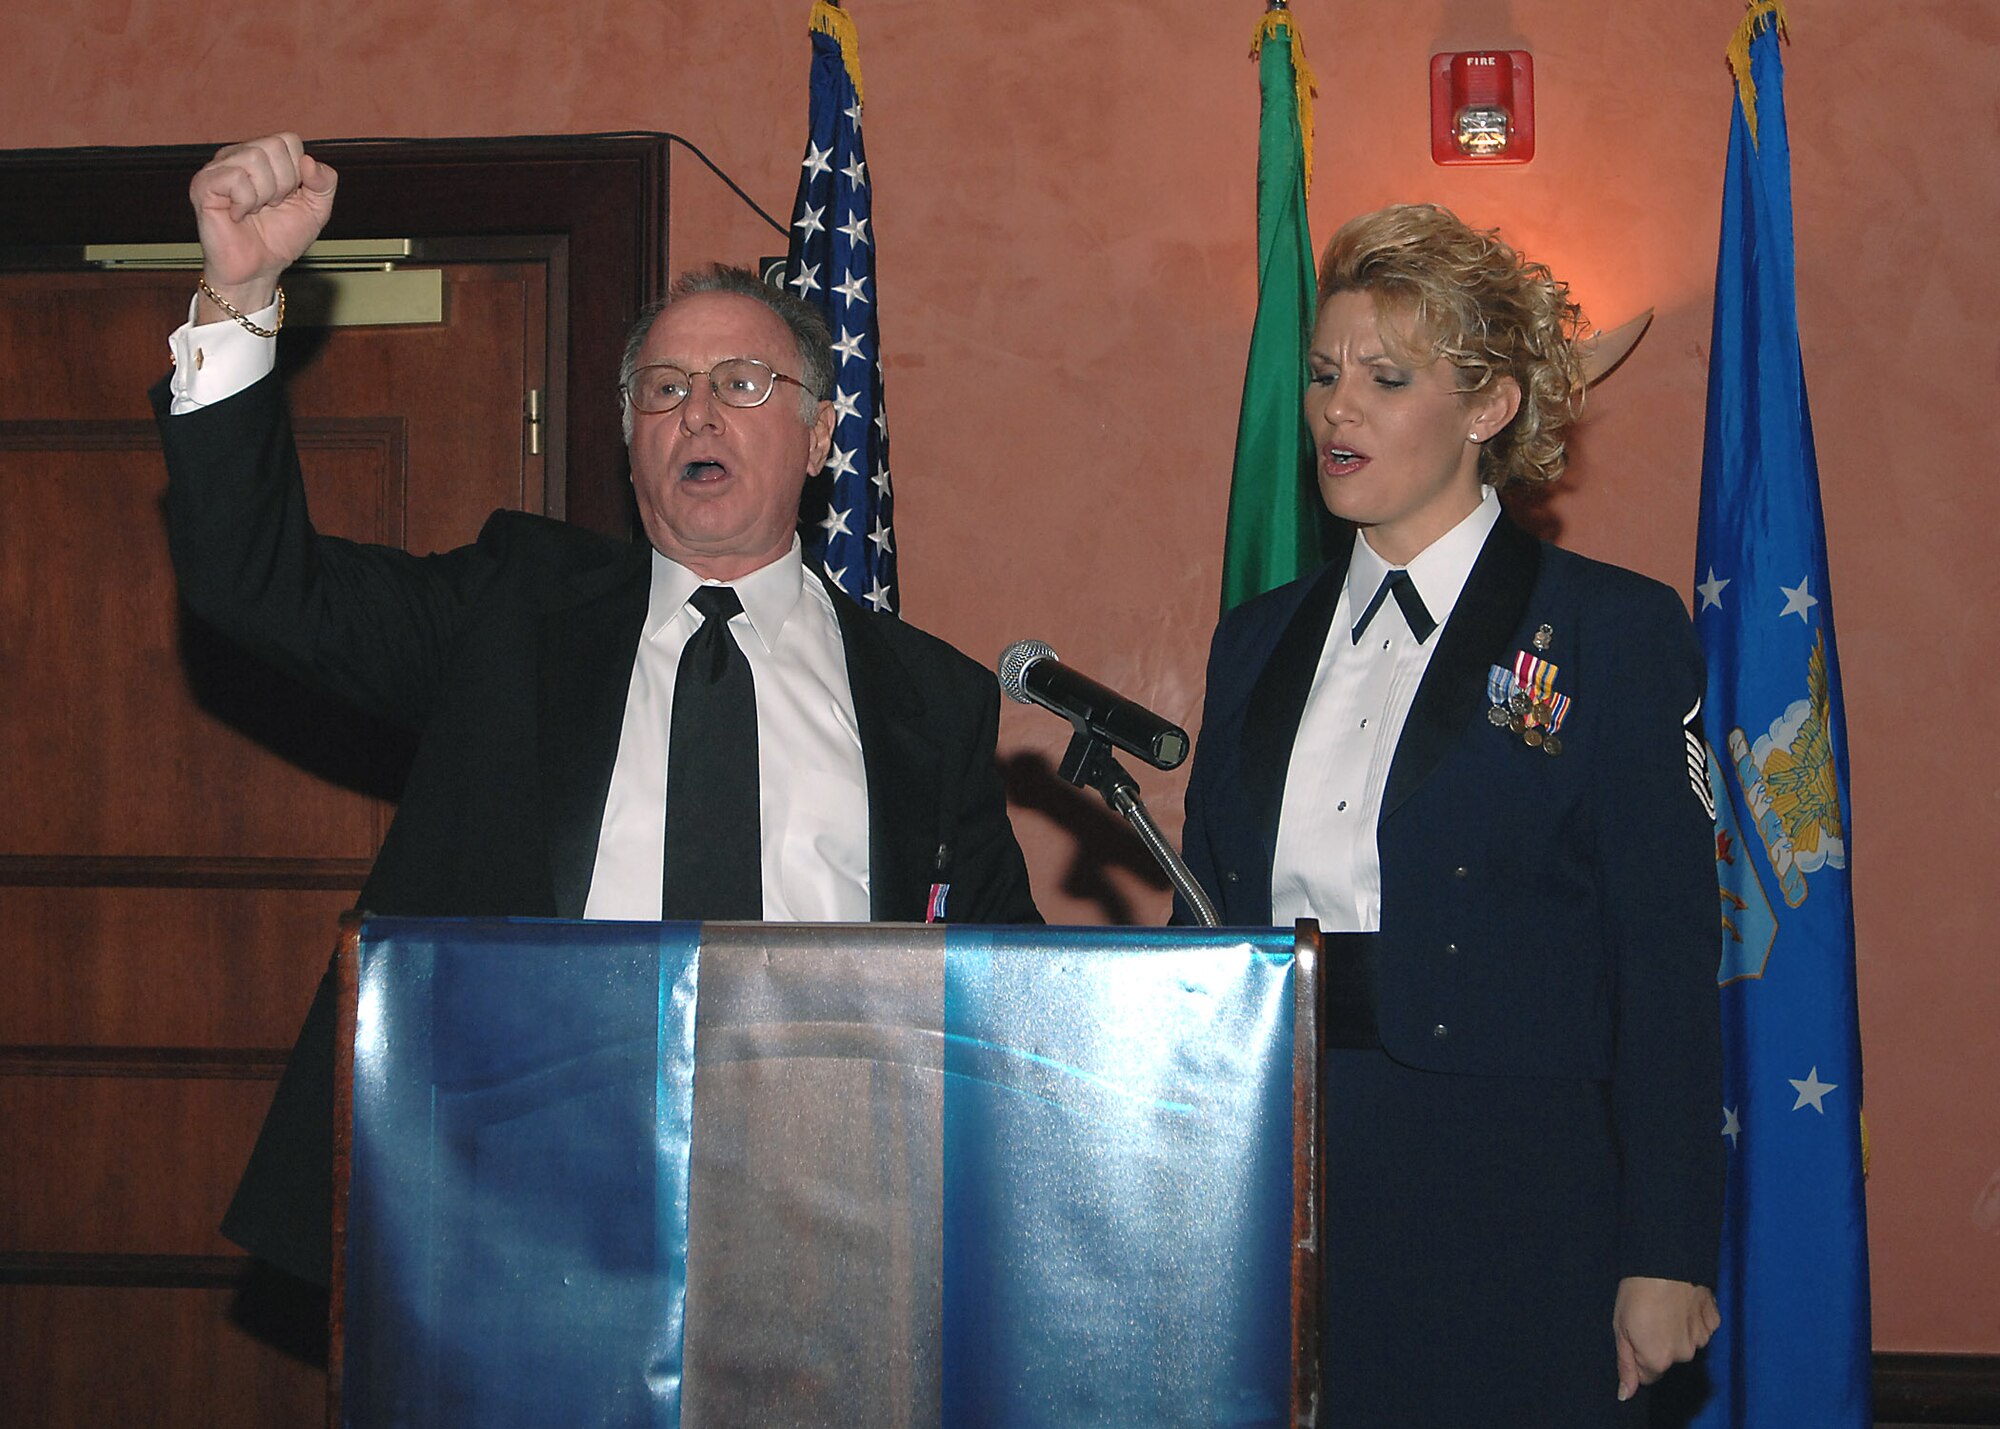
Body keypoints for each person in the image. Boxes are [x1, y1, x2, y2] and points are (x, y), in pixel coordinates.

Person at [157, 133, 1040, 1289]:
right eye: (664, 389)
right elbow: (257, 585)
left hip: (831, 1220)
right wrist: (238, 297)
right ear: (629, 436)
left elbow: (1007, 985)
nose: (697, 414)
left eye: (742, 383)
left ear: (822, 434)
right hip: (519, 1207)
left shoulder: (930, 697)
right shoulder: (510, 612)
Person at [1177, 204, 1723, 1425]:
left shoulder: (1610, 630)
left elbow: (1666, 957)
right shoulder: (1254, 640)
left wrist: (1668, 1246)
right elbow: (1199, 925)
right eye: (1324, 374)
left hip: (1512, 1193)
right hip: (1274, 1178)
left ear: (1490, 407)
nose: (1336, 410)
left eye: (1384, 378)